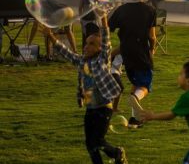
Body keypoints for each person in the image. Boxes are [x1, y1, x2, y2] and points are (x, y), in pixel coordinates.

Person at [43, 14, 127, 164]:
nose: (87, 46)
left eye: (92, 44)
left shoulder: (103, 59)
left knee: (98, 140)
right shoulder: (82, 61)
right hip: (90, 108)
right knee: (90, 144)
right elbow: (66, 53)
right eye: (86, 43)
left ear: (100, 48)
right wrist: (50, 35)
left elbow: (106, 39)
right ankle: (112, 155)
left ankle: (117, 152)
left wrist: (103, 19)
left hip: (103, 108)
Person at [108, 0, 157, 128]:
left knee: (136, 83)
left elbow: (108, 28)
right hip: (141, 52)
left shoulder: (121, 10)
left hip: (126, 54)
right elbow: (152, 37)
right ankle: (134, 98)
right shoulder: (150, 10)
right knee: (145, 85)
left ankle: (134, 120)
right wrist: (152, 50)